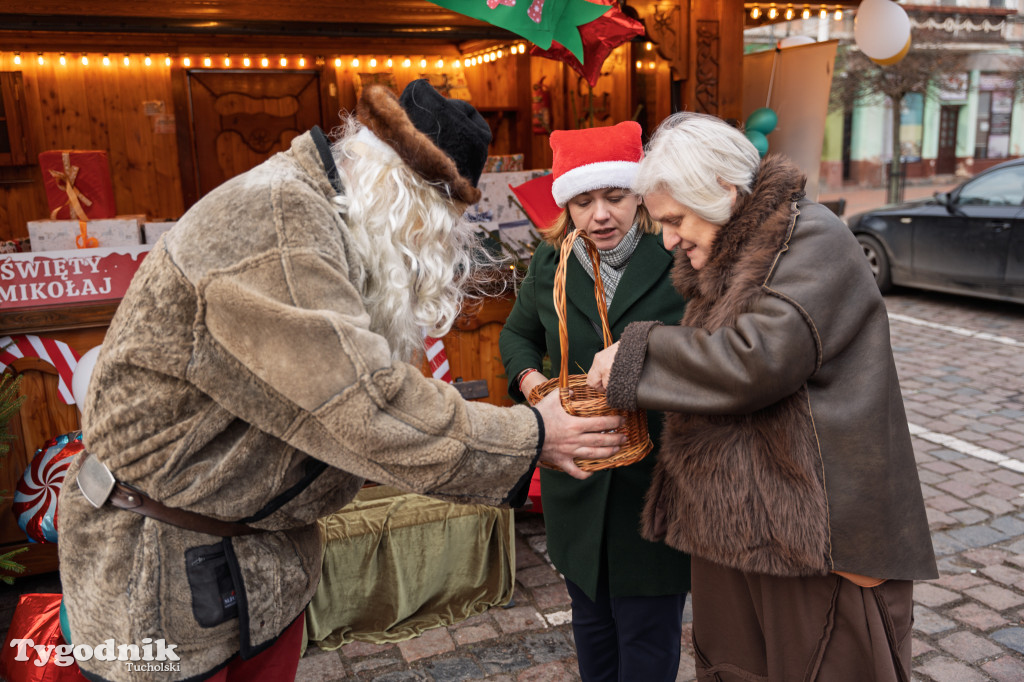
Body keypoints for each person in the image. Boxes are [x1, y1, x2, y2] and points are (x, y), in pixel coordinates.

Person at [57, 79, 626, 682]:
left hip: (254, 568)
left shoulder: (328, 217)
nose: (435, 245)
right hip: (159, 578)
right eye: (435, 223)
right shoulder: (275, 219)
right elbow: (365, 404)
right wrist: (532, 435)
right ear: (401, 191)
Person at [586, 112, 937, 681]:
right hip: (740, 527)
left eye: (675, 220)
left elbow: (756, 360)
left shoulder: (813, 237)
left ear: (724, 191)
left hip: (819, 540)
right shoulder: (729, 250)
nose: (668, 239)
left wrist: (636, 354)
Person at [500, 121, 691, 682]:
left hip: (655, 479)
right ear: (567, 205)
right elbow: (517, 335)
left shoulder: (676, 255)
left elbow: (706, 347)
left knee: (648, 637)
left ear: (640, 195)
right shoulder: (551, 262)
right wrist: (535, 386)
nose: (600, 215)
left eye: (615, 197)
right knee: (591, 626)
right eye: (584, 202)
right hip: (577, 481)